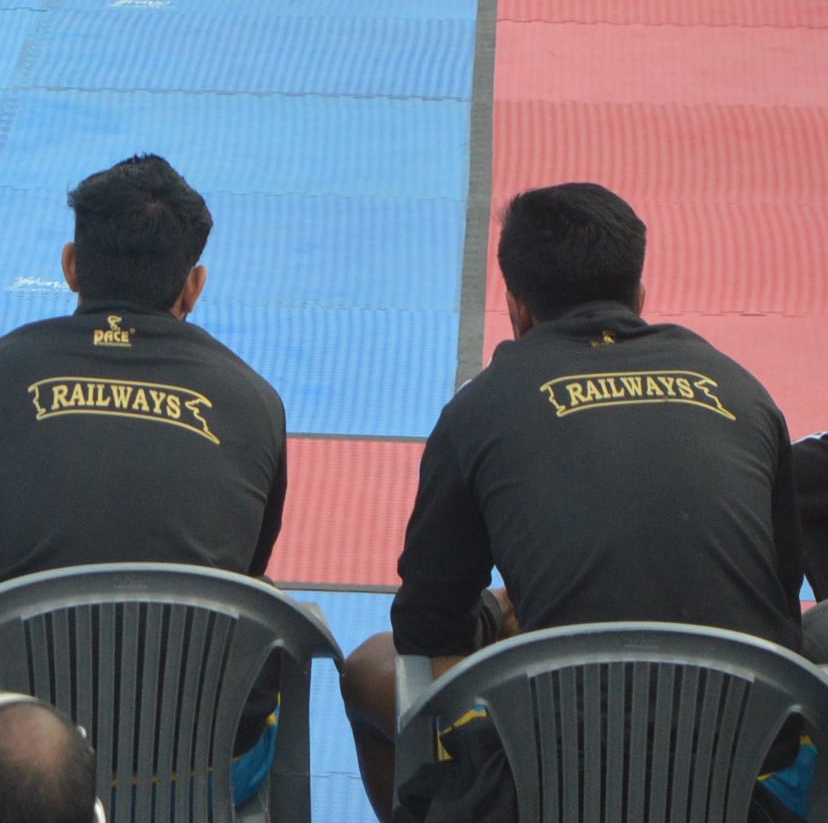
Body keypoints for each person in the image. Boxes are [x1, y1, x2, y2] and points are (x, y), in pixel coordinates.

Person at [339, 183, 796, 820]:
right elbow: (778, 593)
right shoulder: (740, 388)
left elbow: (423, 629)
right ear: (639, 297)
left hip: (549, 778)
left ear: (516, 308)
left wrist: (500, 617)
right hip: (737, 768)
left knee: (370, 668)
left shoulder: (482, 406)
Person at [0, 151, 287, 637]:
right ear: (193, 287)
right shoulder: (254, 400)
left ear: (71, 265)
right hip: (205, 708)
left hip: (17, 704)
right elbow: (246, 571)